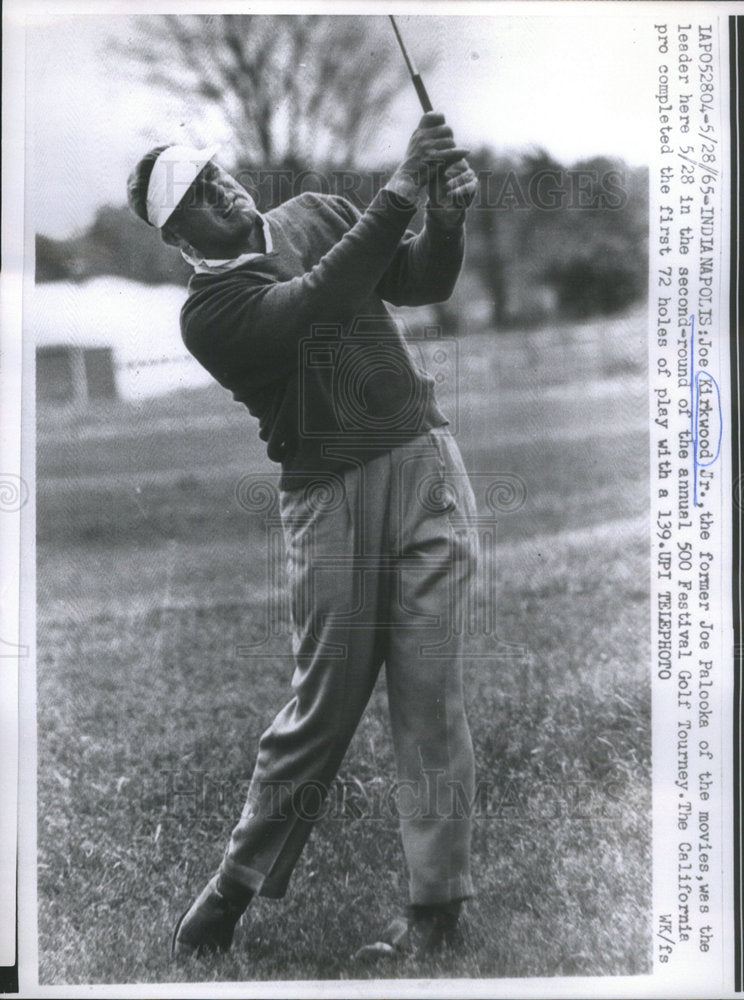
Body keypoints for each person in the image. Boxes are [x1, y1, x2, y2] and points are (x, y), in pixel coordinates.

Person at [127, 112, 480, 962]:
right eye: (200, 196)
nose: (224, 189)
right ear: (180, 237)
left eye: (217, 174)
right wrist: (399, 191)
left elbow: (420, 281)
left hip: (424, 465)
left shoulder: (319, 211)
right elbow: (318, 298)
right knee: (320, 708)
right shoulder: (209, 312)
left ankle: (435, 909)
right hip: (330, 501)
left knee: (430, 697)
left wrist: (446, 219)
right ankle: (234, 887)